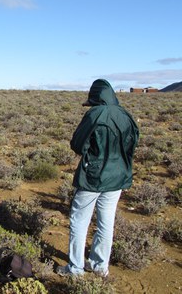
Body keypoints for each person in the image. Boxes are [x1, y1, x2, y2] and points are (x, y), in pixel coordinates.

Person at [57, 79, 139, 277]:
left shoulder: (95, 114)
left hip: (93, 177)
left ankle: (75, 269)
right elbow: (133, 144)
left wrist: (91, 154)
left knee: (79, 221)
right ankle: (100, 266)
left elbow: (77, 144)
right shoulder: (125, 115)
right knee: (106, 222)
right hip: (117, 177)